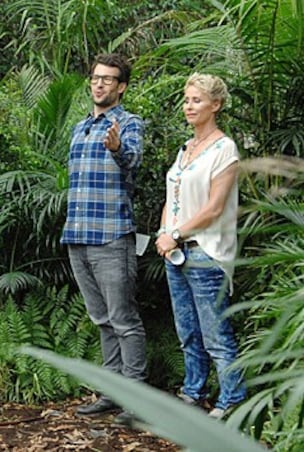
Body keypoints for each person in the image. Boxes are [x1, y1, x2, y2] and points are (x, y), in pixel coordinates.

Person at [61, 53, 147, 423]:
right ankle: (112, 393)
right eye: (96, 78)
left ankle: (138, 400)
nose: (100, 84)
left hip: (111, 236)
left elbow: (133, 160)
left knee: (123, 319)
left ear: (121, 87)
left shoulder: (129, 124)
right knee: (101, 320)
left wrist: (117, 149)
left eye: (108, 79)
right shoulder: (80, 127)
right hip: (77, 236)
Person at [154, 73, 245, 419]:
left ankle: (233, 399)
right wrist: (165, 233)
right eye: (186, 99)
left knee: (215, 334)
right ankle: (194, 392)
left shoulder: (225, 149)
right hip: (175, 251)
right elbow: (172, 195)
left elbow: (214, 208)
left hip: (205, 252)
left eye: (196, 100)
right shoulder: (185, 149)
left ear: (216, 105)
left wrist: (174, 235)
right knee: (188, 331)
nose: (188, 106)